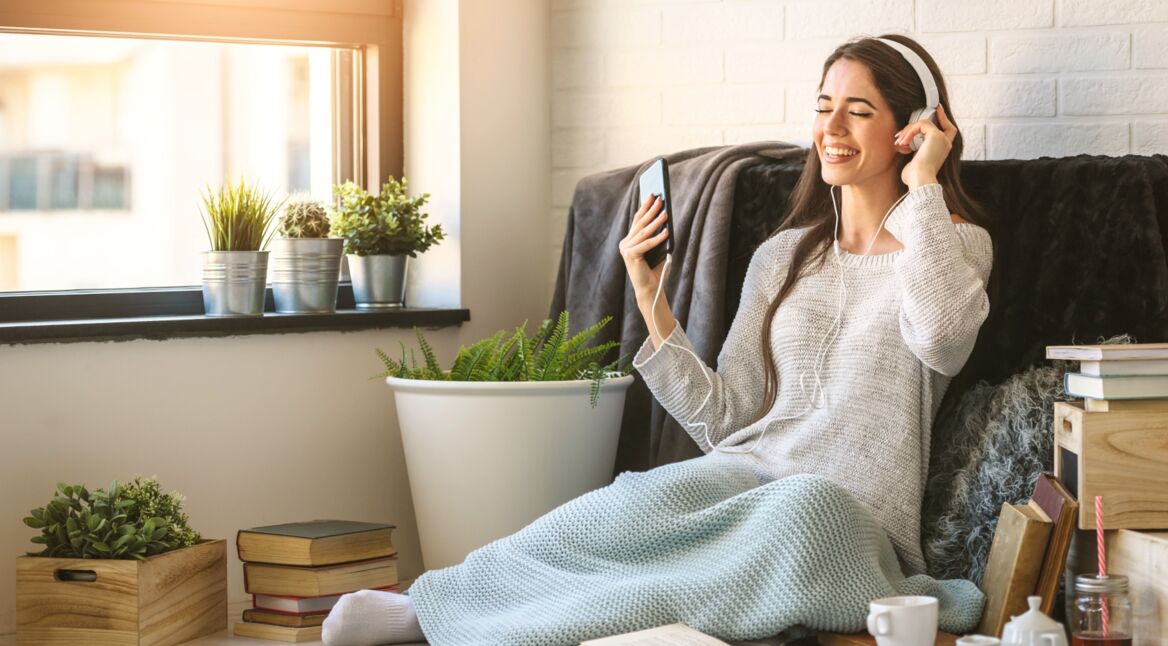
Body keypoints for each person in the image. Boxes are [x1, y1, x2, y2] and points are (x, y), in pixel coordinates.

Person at [320, 33, 993, 646]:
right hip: (744, 478)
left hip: (848, 518)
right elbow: (727, 418)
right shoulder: (783, 256)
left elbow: (943, 339)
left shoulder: (953, 244)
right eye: (823, 107)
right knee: (626, 504)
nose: (832, 129)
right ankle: (432, 605)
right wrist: (650, 299)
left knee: (804, 506)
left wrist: (924, 184)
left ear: (912, 127)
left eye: (859, 111)